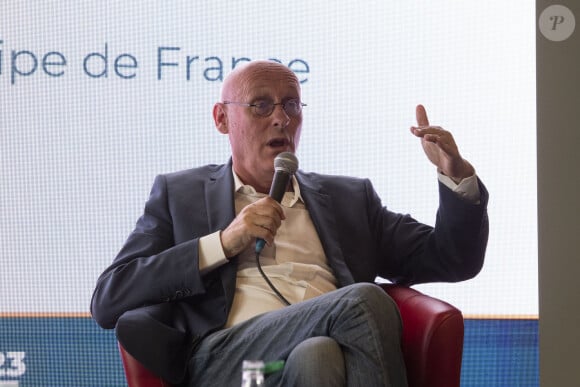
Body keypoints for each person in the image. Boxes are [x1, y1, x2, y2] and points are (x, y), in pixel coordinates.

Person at [91, 60, 488, 387]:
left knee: (318, 354)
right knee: (363, 301)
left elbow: (453, 259)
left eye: (291, 105)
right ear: (222, 118)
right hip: (237, 367)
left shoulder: (349, 199)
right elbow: (109, 298)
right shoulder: (179, 194)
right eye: (261, 105)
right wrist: (224, 243)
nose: (280, 118)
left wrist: (456, 177)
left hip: (313, 359)